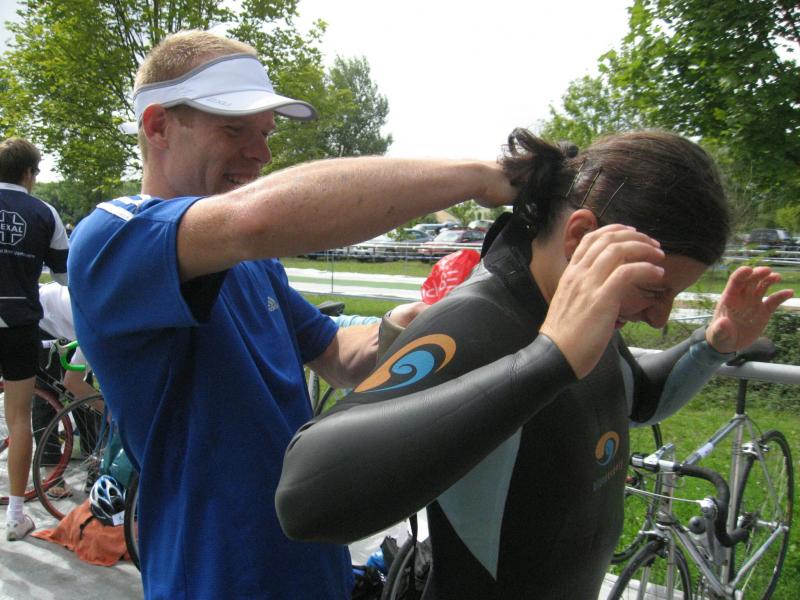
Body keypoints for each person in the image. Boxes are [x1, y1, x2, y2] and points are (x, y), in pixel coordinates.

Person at [66, 30, 514, 599]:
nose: (261, 154)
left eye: (265, 133)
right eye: (235, 130)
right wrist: (480, 177)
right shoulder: (113, 239)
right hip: (216, 577)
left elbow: (338, 355)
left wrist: (421, 319)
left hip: (312, 559)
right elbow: (254, 218)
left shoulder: (252, 263)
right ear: (157, 126)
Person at [276, 129, 794, 599]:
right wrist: (548, 359)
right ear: (581, 237)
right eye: (655, 291)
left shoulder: (584, 307)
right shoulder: (476, 319)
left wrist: (712, 344)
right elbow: (305, 499)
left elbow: (634, 399)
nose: (659, 319)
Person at [0, 137, 69, 541]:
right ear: (29, 173)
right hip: (20, 323)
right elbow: (66, 277)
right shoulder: (44, 212)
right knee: (19, 417)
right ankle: (16, 516)